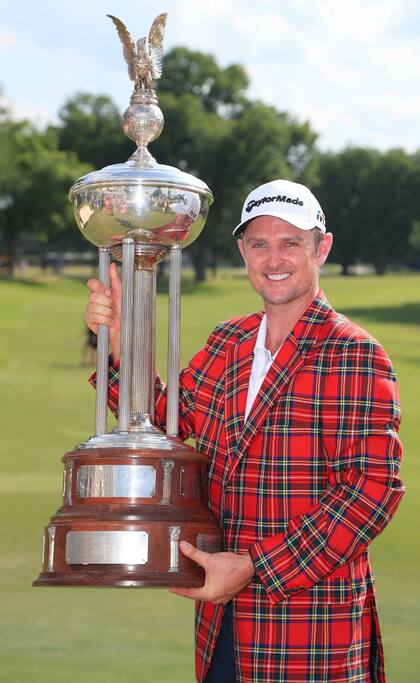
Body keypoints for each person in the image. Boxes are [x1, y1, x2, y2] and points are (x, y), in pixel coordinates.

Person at [85, 179, 404, 683]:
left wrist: (257, 567)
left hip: (311, 631)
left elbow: (372, 492)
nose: (274, 258)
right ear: (243, 252)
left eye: (290, 243)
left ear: (321, 247)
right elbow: (172, 421)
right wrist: (123, 344)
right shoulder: (228, 341)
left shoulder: (355, 353)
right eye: (260, 244)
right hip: (222, 626)